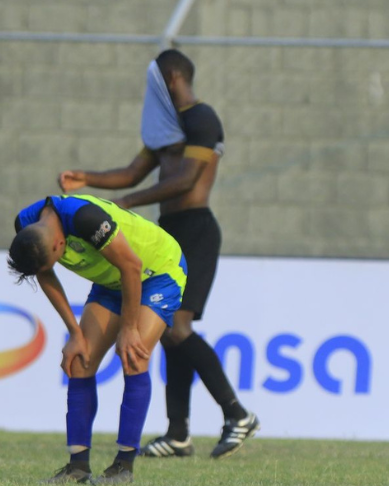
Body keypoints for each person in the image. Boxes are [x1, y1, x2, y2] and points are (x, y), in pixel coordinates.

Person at [58, 50, 259, 459]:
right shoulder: (167, 128)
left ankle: (237, 414)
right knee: (167, 331)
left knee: (178, 328)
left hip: (197, 229)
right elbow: (133, 172)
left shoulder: (202, 119)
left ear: (169, 79)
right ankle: (178, 433)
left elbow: (186, 180)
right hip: (168, 234)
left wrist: (127, 203)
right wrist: (87, 178)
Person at [8, 194, 188, 484]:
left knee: (134, 356)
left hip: (157, 271)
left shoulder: (86, 219)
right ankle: (77, 467)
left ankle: (123, 466)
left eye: (51, 262)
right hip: (112, 280)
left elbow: (132, 266)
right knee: (80, 362)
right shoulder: (28, 227)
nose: (50, 268)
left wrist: (129, 328)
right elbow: (45, 274)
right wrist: (75, 333)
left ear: (58, 245)